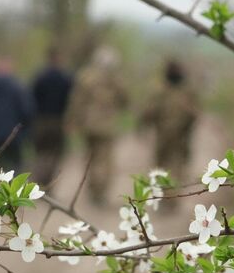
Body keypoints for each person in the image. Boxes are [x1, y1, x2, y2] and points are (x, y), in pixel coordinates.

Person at [67, 46, 128, 205]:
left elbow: (76, 101)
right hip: (107, 126)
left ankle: (93, 189)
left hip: (88, 125)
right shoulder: (116, 80)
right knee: (104, 160)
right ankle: (99, 191)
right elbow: (125, 100)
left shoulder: (86, 77)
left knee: (90, 158)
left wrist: (74, 121)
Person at [141, 59, 199, 199]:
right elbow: (195, 114)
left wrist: (144, 125)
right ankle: (171, 195)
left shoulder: (160, 91)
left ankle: (167, 195)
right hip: (178, 136)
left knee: (163, 165)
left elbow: (149, 112)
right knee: (175, 165)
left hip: (167, 135)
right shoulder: (187, 92)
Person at [30, 48, 75, 186]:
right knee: (55, 154)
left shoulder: (39, 77)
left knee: (41, 153)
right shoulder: (66, 78)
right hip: (58, 121)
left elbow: (31, 98)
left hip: (41, 120)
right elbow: (71, 101)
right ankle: (48, 183)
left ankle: (39, 181)